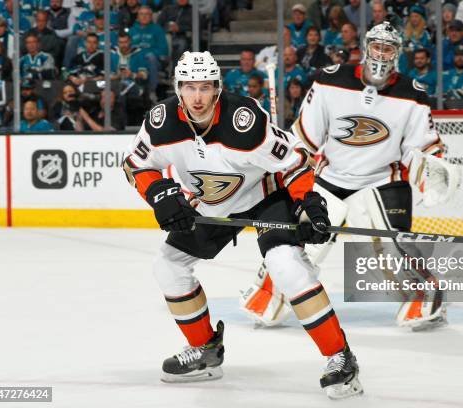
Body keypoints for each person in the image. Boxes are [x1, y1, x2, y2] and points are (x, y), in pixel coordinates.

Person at [122, 50, 363, 399]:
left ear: (218, 88)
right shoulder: (160, 122)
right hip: (210, 205)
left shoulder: (244, 121)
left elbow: (295, 162)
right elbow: (134, 164)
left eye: (206, 87)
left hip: (262, 198)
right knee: (168, 265)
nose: (198, 97)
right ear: (178, 89)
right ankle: (205, 351)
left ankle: (340, 358)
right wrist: (159, 193)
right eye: (190, 88)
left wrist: (309, 205)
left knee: (286, 266)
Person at [240, 22, 454, 333]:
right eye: (377, 46)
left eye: (388, 48)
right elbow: (305, 137)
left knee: (391, 251)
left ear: (398, 54)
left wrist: (432, 168)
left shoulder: (413, 94)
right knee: (301, 242)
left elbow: (420, 147)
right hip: (330, 176)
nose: (381, 53)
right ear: (366, 48)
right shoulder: (331, 80)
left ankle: (427, 294)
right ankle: (269, 294)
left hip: (382, 180)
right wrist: (284, 159)